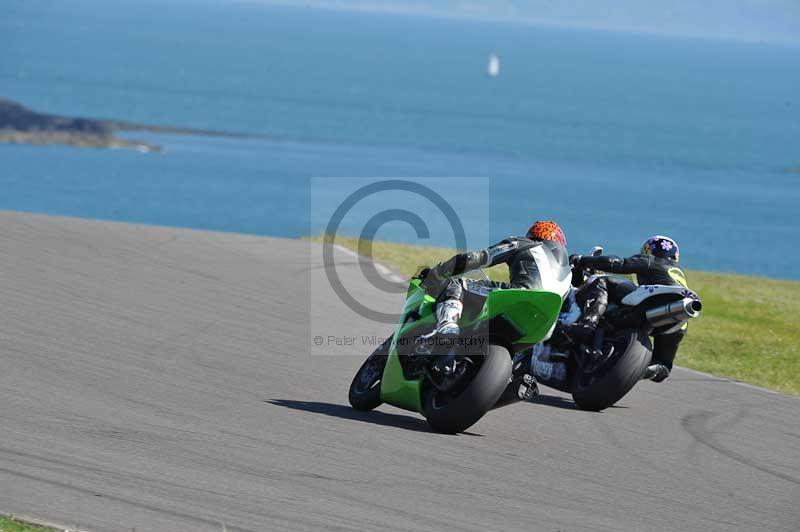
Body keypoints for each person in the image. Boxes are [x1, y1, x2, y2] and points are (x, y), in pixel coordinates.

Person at [566, 235, 689, 382]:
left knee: (601, 281)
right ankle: (628, 368)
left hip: (651, 302)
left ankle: (587, 324)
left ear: (648, 250)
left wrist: (582, 260)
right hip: (680, 318)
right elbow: (662, 373)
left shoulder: (652, 260)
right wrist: (632, 367)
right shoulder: (679, 274)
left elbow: (618, 263)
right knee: (662, 366)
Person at [419, 220, 572, 338]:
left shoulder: (526, 244)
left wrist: (438, 272)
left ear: (534, 235)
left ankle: (448, 325)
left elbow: (478, 258)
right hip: (543, 326)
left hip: (523, 295)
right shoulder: (568, 274)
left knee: (455, 283)